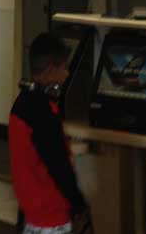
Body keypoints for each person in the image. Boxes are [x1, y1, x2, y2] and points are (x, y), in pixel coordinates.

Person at [10, 33, 90, 234]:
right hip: (52, 216)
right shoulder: (43, 112)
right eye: (63, 67)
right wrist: (79, 204)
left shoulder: (21, 104)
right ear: (49, 69)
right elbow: (58, 165)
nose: (66, 74)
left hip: (32, 214)